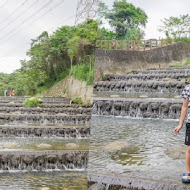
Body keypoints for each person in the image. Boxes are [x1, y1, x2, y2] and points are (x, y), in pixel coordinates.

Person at [173, 84, 190, 183]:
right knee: (189, 148)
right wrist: (180, 124)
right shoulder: (188, 88)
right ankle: (188, 171)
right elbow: (184, 106)